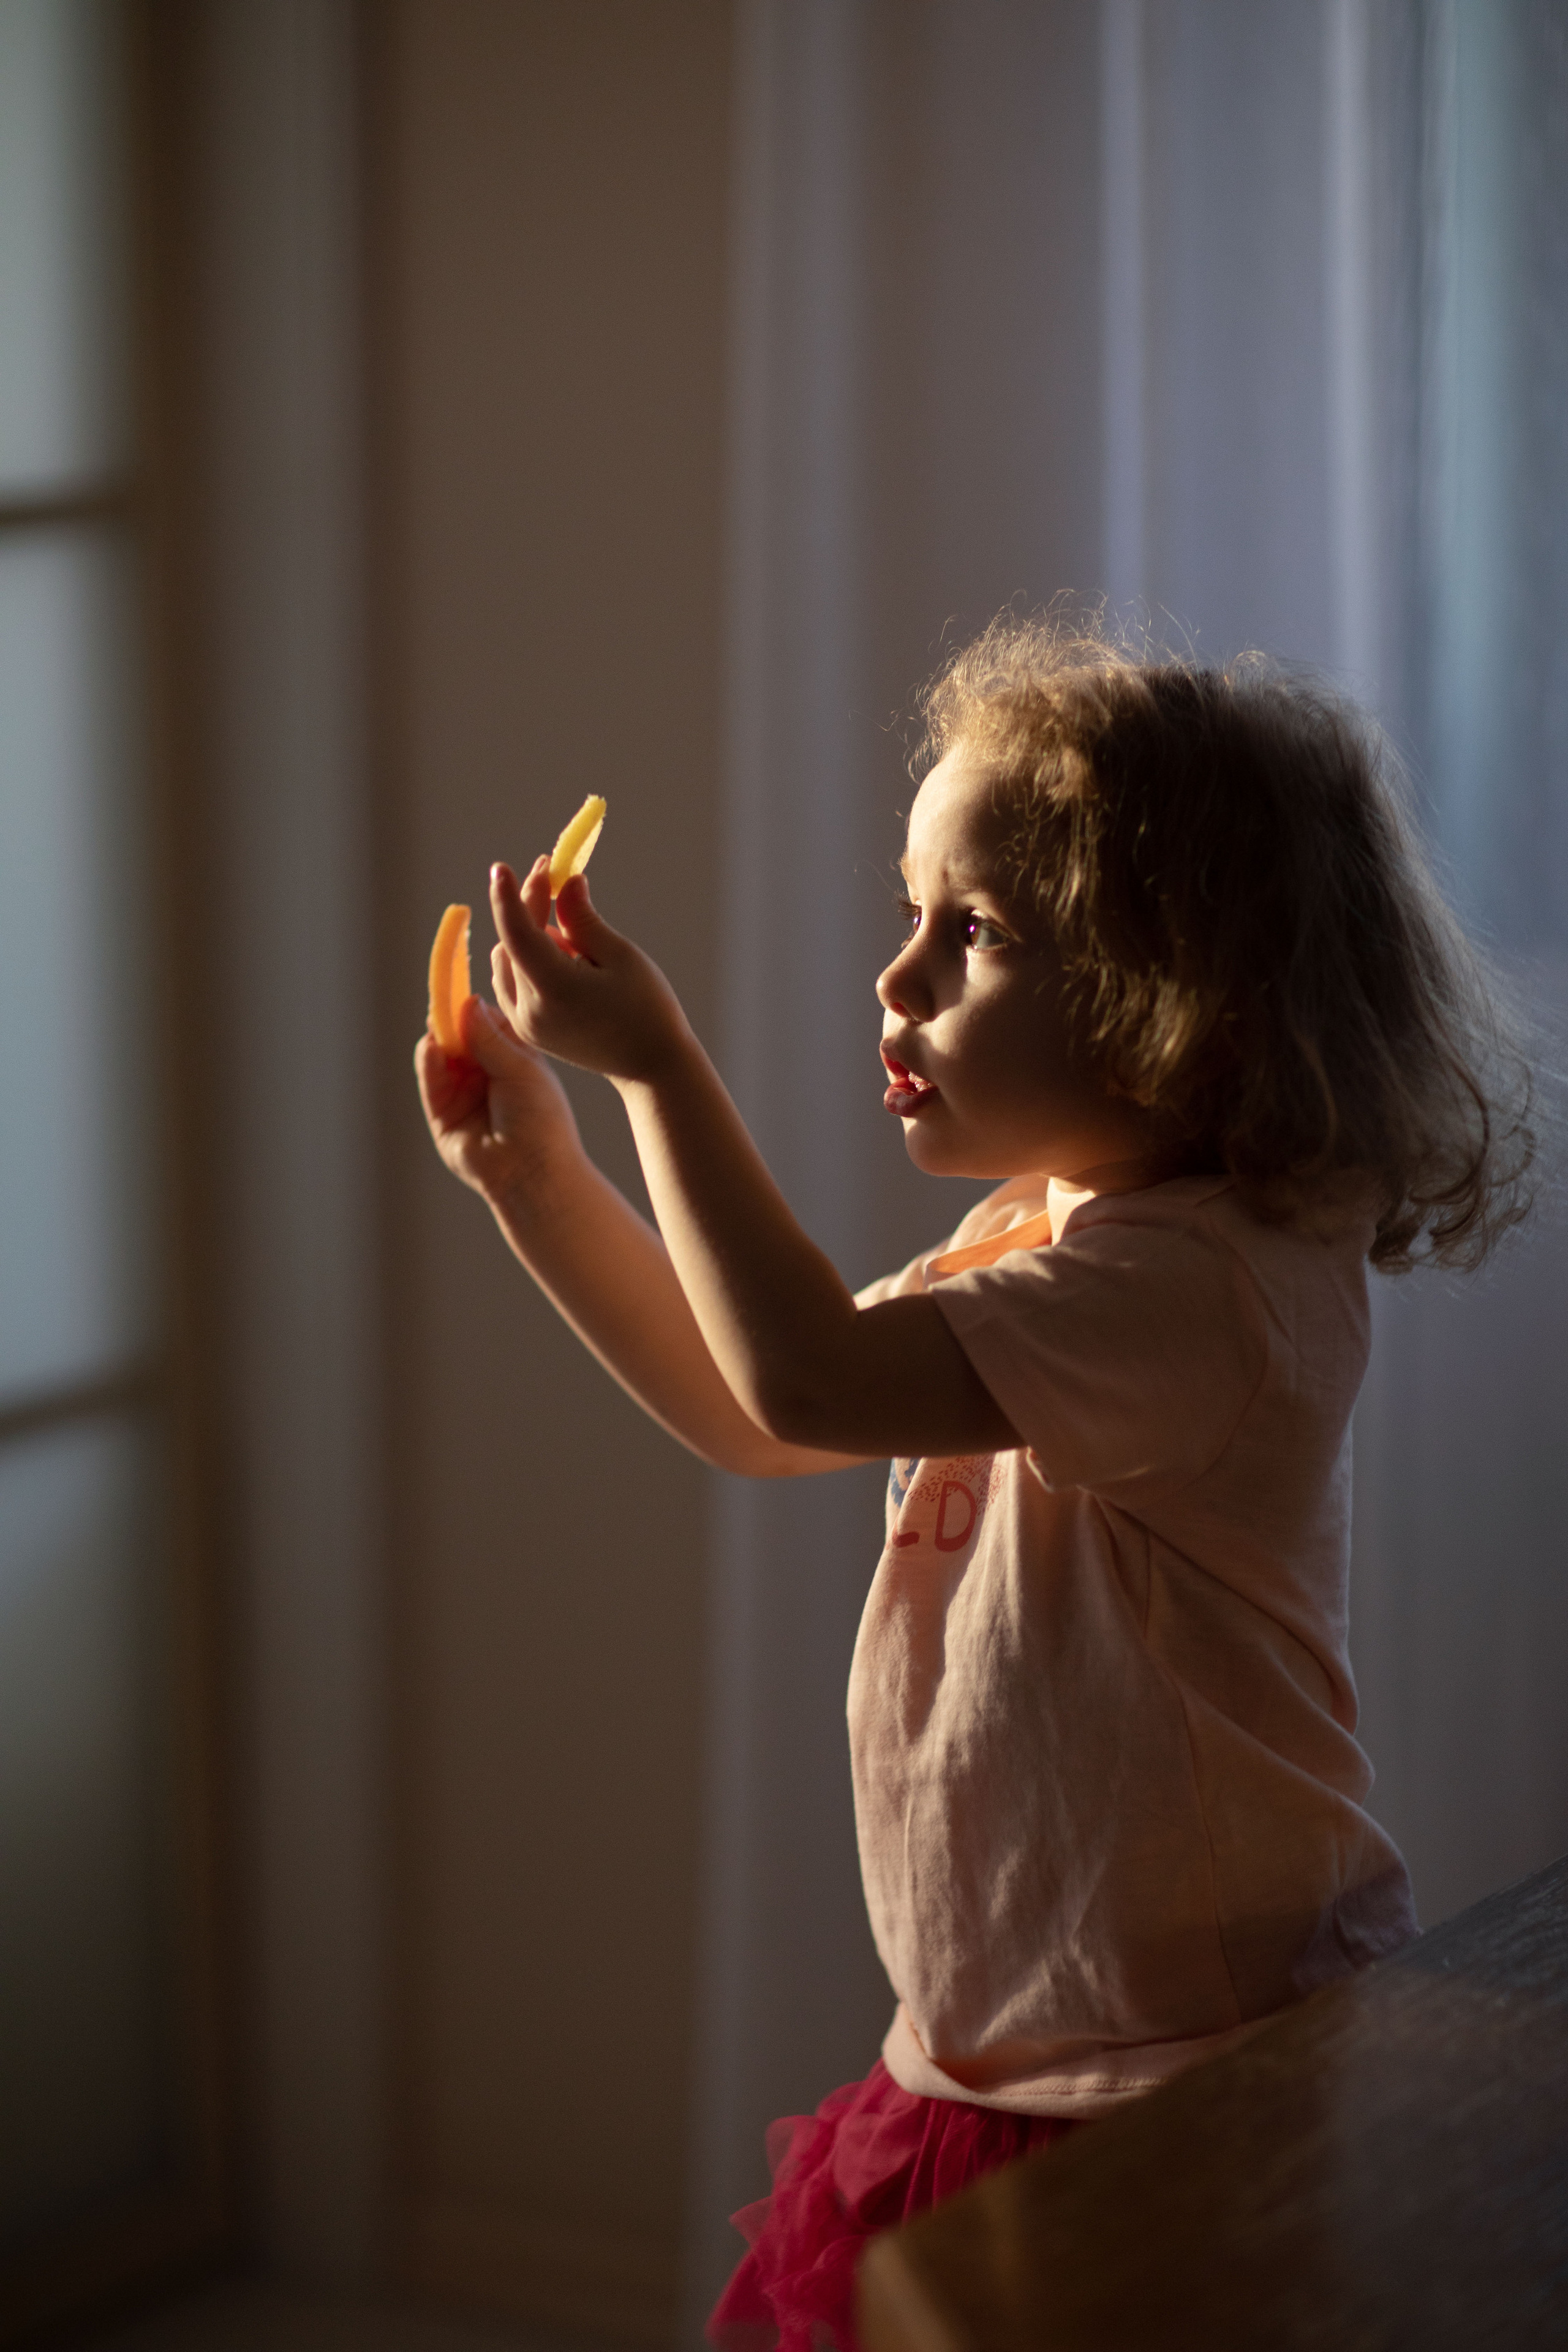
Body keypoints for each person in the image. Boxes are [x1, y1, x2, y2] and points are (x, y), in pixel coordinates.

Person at [415, 617, 1535, 2351]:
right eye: (910, 913)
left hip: (1193, 2078)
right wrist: (540, 1181)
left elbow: (803, 1373)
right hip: (993, 2059)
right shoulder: (1045, 1236)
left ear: (1191, 1008)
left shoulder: (1206, 1289)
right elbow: (761, 1413)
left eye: (977, 934)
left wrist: (654, 1064)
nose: (901, 978)